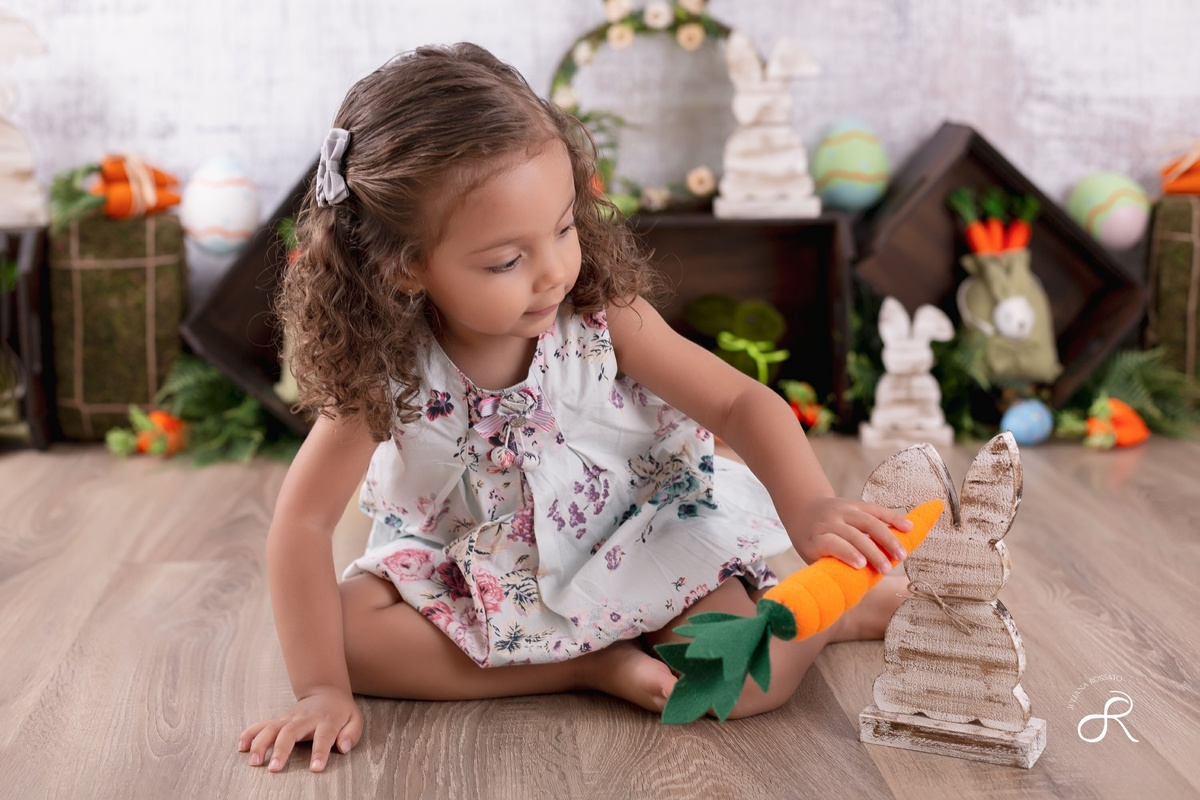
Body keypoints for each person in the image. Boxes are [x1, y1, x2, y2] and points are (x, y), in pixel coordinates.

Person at [239, 42, 913, 774]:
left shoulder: (598, 313)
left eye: (563, 227)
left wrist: (810, 507)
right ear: (404, 267)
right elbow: (302, 523)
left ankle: (839, 608)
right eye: (507, 260)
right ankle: (584, 666)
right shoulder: (389, 372)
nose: (556, 269)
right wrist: (320, 690)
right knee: (342, 638)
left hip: (632, 533)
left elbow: (739, 400)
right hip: (483, 569)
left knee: (728, 677)